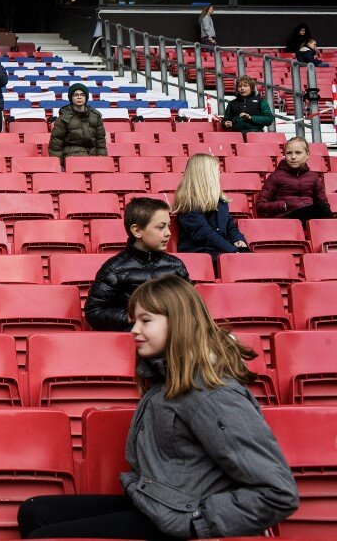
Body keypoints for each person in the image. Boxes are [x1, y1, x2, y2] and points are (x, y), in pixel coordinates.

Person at [18, 275, 299, 539]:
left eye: (145, 320)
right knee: (35, 511)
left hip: (179, 518)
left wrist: (197, 522)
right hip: (159, 502)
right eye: (133, 321)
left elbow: (276, 493)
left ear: (178, 323)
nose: (134, 330)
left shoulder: (212, 395)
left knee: (46, 537)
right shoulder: (166, 379)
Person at [85, 197, 189, 331]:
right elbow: (94, 312)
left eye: (168, 226)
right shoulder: (114, 269)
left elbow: (191, 305)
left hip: (175, 341)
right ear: (137, 231)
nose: (168, 233)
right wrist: (134, 317)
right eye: (161, 227)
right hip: (135, 342)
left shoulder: (176, 266)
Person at [174, 154, 248, 259]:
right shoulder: (189, 203)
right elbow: (204, 235)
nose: (219, 173)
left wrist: (238, 240)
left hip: (221, 250)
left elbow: (230, 227)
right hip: (201, 253)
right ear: (205, 175)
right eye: (217, 170)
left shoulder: (220, 200)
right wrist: (233, 251)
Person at [256, 136, 333, 224]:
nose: (293, 157)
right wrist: (284, 205)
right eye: (289, 153)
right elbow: (260, 205)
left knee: (322, 207)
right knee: (322, 208)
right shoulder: (275, 176)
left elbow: (323, 202)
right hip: (286, 218)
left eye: (298, 153)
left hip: (308, 218)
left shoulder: (313, 177)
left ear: (307, 155)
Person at [47, 83, 107, 162]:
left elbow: (101, 142)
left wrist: (102, 161)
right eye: (75, 95)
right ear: (71, 98)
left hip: (93, 157)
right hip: (72, 157)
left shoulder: (95, 116)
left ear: (86, 97)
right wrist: (59, 164)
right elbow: (56, 144)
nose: (79, 97)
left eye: (82, 95)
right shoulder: (63, 118)